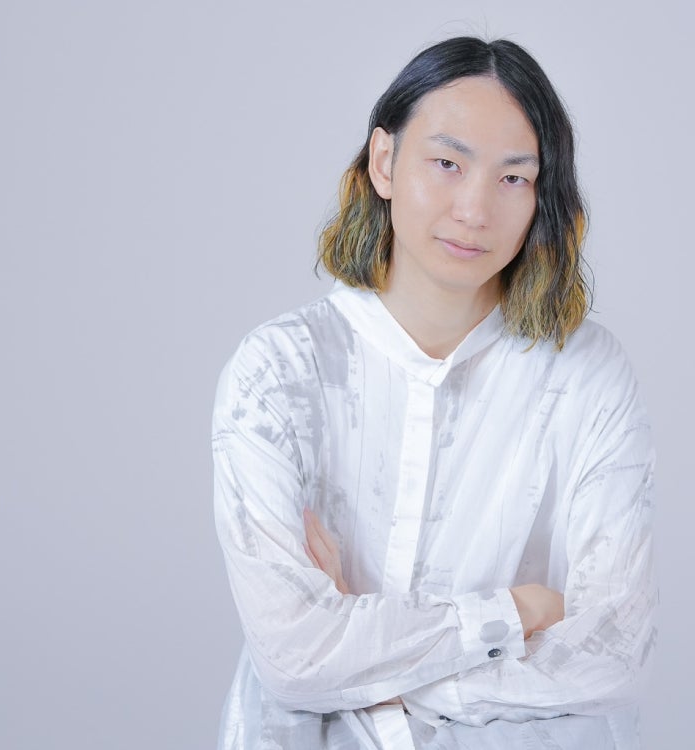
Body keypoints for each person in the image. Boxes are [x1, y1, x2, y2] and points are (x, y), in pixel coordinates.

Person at [212, 36, 657, 750]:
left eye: (514, 177)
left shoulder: (586, 375)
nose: (475, 210)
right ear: (384, 162)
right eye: (447, 164)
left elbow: (614, 654)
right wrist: (513, 615)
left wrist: (364, 656)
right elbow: (295, 658)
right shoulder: (279, 371)